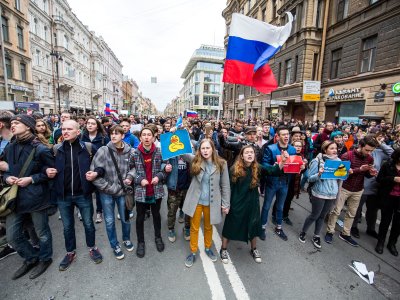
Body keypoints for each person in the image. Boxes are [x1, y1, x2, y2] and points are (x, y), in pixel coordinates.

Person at [4, 115, 54, 280]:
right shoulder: (10, 147)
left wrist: (31, 179)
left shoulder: (40, 148)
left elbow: (50, 173)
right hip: (15, 199)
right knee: (12, 236)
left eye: (17, 123)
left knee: (42, 233)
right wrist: (7, 178)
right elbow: (5, 170)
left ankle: (45, 259)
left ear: (27, 126)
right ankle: (31, 257)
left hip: (36, 199)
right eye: (12, 123)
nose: (13, 125)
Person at [47, 120, 103, 270]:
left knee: (89, 224)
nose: (65, 131)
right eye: (63, 129)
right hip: (63, 196)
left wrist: (96, 172)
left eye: (69, 129)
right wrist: (48, 171)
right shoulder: (56, 149)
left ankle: (92, 247)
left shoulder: (89, 148)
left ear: (78, 132)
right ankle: (70, 252)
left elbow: (102, 165)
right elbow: (46, 167)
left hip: (83, 195)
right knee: (67, 227)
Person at [220, 145, 284, 264]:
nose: (250, 154)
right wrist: (226, 204)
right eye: (247, 152)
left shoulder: (257, 167)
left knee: (254, 224)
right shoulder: (234, 169)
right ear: (242, 156)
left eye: (251, 152)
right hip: (237, 202)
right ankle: (223, 249)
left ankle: (254, 249)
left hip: (252, 202)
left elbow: (272, 170)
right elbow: (228, 188)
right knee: (230, 224)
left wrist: (282, 162)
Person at [88, 125, 135, 260]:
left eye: (117, 133)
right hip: (106, 192)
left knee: (125, 218)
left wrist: (129, 177)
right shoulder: (103, 150)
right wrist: (109, 187)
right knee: (109, 220)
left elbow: (135, 168)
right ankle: (114, 245)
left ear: (123, 135)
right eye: (111, 134)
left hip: (123, 192)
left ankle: (126, 239)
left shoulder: (130, 151)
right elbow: (95, 172)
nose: (113, 136)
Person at [182, 138, 230, 268]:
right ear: (199, 150)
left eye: (207, 148)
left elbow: (225, 185)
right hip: (196, 201)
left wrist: (226, 204)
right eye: (202, 148)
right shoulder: (195, 160)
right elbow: (181, 152)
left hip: (212, 202)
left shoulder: (222, 163)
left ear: (213, 149)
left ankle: (208, 248)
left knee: (209, 227)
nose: (205, 151)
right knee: (194, 227)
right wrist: (175, 134)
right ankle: (192, 251)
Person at [325, 136, 379, 247]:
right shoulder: (347, 155)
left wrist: (371, 173)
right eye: (367, 150)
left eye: (371, 151)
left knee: (352, 213)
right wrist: (359, 170)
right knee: (336, 211)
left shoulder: (369, 158)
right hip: (344, 187)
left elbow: (367, 175)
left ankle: (346, 233)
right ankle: (330, 231)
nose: (369, 153)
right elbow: (340, 173)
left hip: (358, 189)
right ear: (360, 146)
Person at [299, 140, 341, 249]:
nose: (334, 150)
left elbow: (339, 178)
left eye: (335, 148)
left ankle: (316, 235)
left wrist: (346, 173)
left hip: (332, 194)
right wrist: (319, 174)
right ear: (325, 149)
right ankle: (303, 232)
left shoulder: (339, 161)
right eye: (331, 148)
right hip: (319, 193)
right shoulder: (317, 161)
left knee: (322, 216)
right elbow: (310, 178)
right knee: (315, 215)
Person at [133, 126, 167, 258]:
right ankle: (141, 242)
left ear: (154, 137)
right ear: (140, 138)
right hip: (141, 191)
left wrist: (159, 176)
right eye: (144, 135)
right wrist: (140, 179)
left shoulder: (159, 152)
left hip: (155, 190)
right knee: (140, 217)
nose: (146, 137)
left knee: (156, 214)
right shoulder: (134, 153)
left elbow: (164, 170)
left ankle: (158, 237)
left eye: (149, 135)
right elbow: (130, 171)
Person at [351, 132, 393, 238]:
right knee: (357, 209)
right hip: (361, 186)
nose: (370, 152)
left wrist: (380, 144)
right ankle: (354, 227)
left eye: (372, 149)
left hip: (374, 187)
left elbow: (393, 153)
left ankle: (371, 228)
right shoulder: (358, 152)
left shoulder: (378, 152)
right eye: (368, 149)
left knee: (373, 210)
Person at [260, 126, 296, 241]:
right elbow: (264, 165)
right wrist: (275, 165)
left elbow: (294, 166)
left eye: (287, 134)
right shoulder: (270, 148)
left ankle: (279, 228)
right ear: (278, 136)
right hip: (272, 182)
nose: (286, 136)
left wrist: (301, 166)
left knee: (280, 206)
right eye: (284, 134)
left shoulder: (292, 150)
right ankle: (262, 228)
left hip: (285, 182)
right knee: (266, 206)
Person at [81, 116, 110, 224]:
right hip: (85, 166)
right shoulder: (82, 137)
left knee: (99, 191)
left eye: (93, 123)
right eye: (88, 123)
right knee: (85, 189)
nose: (90, 125)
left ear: (97, 126)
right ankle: (84, 211)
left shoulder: (104, 138)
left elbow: (108, 153)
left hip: (99, 167)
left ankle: (99, 212)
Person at [375, 148, 400, 256]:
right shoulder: (388, 165)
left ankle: (392, 243)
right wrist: (393, 179)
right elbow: (379, 179)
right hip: (388, 197)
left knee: (398, 224)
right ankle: (380, 242)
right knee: (385, 221)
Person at [164, 155, 191, 243]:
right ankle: (171, 229)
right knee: (172, 210)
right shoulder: (170, 152)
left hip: (187, 187)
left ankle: (187, 228)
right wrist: (164, 167)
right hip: (174, 187)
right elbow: (161, 163)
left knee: (188, 210)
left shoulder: (189, 151)